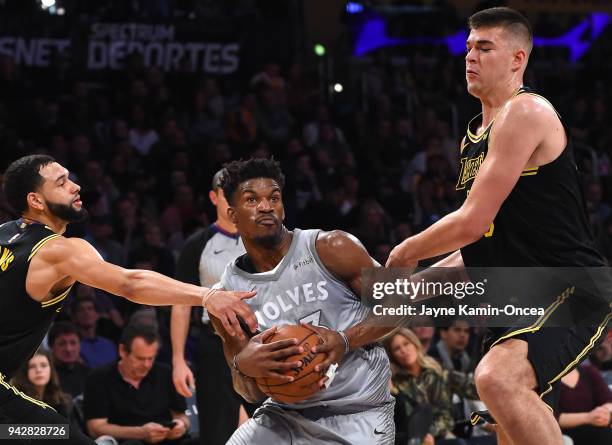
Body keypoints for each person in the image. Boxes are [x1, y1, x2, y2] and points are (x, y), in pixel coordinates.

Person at [386, 7, 611, 445]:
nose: (470, 56)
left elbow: (472, 222)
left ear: (517, 59)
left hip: (567, 287)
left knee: (497, 379)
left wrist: (403, 254)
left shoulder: (524, 111)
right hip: (514, 298)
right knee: (507, 418)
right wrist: (412, 287)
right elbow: (480, 246)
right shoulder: (474, 136)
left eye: (485, 47)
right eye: (468, 47)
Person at [0, 154, 257, 444]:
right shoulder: (59, 251)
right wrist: (208, 296)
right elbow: (130, 283)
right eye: (61, 183)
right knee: (59, 434)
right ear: (35, 200)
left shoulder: (4, 235)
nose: (75, 187)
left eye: (70, 178)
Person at [210, 158, 397, 444]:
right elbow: (248, 392)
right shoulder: (229, 293)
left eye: (274, 197)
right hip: (285, 414)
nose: (266, 206)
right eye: (252, 199)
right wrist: (245, 366)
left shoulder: (331, 248)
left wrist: (344, 339)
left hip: (360, 411)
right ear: (233, 215)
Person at [170, 168, 249, 445]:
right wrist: (178, 360)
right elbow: (180, 305)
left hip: (263, 337)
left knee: (275, 425)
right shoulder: (196, 246)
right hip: (215, 345)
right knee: (218, 433)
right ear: (214, 197)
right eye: (226, 194)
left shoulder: (265, 239)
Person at [83, 323, 190, 445]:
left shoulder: (165, 373)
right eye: (140, 358)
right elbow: (95, 428)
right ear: (122, 351)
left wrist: (181, 426)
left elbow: (181, 415)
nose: (146, 365)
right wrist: (140, 433)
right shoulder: (99, 378)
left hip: (167, 439)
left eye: (151, 358)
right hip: (126, 441)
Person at [383, 328, 458, 445]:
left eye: (406, 344)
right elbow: (395, 421)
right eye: (397, 349)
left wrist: (429, 434)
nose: (403, 350)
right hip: (405, 437)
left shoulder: (435, 371)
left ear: (415, 344)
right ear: (392, 356)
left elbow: (445, 416)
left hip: (436, 435)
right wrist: (392, 391)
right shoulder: (392, 380)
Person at [11, 348, 73, 419]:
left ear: (51, 370)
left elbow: (67, 429)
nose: (38, 370)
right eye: (32, 366)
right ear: (24, 372)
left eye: (43, 365)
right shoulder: (16, 402)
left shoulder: (62, 402)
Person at [558, 365, 612, 445]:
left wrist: (604, 412)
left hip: (597, 425)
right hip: (565, 433)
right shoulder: (547, 380)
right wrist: (588, 417)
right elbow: (552, 417)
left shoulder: (589, 371)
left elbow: (608, 399)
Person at [72, 295, 118, 369]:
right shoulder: (71, 346)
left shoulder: (109, 345)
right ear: (75, 317)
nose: (86, 313)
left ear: (97, 315)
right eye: (81, 310)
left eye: (90, 309)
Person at [48, 321, 90, 398]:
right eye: (62, 344)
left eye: (73, 343)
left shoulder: (90, 375)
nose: (68, 349)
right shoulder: (46, 376)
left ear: (80, 345)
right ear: (51, 347)